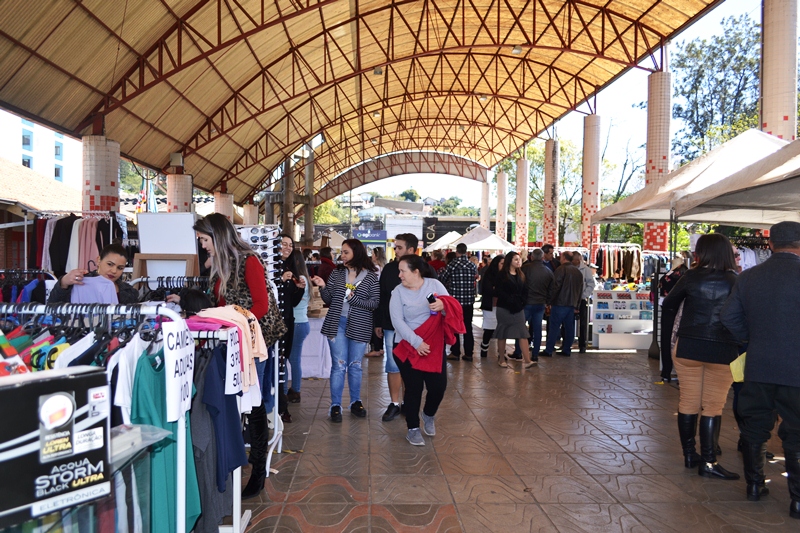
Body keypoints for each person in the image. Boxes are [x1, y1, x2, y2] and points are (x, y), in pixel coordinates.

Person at [169, 213, 271, 500]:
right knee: (240, 403)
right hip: (231, 342)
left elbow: (261, 306)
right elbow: (219, 303)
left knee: (254, 405)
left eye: (204, 239)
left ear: (217, 236)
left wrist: (232, 325)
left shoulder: (249, 261)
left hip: (253, 343)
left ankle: (258, 471)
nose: (202, 246)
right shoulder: (219, 265)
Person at [721, 221, 800, 516]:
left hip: (758, 363)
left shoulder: (749, 277)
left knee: (755, 426)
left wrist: (751, 338)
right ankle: (797, 500)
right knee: (797, 431)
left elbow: (728, 317)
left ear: (769, 245)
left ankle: (754, 485)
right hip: (797, 369)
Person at [661, 233, 740, 481]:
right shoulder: (736, 280)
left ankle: (689, 455)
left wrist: (671, 337)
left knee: (688, 401)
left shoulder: (690, 277)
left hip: (688, 346)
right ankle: (708, 461)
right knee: (713, 406)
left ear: (701, 252)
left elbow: (669, 304)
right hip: (722, 349)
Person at [390, 254, 463, 446]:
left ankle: (428, 414)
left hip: (433, 346)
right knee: (414, 388)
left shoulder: (434, 285)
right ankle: (413, 428)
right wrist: (416, 342)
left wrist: (443, 305)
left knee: (438, 387)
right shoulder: (397, 292)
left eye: (403, 271)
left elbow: (451, 308)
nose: (400, 275)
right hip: (407, 345)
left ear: (416, 272)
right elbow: (397, 321)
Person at [311, 239, 379, 422]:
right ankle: (335, 405)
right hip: (337, 322)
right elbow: (329, 298)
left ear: (356, 253)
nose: (342, 256)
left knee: (356, 366)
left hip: (360, 324)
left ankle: (356, 402)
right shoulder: (337, 273)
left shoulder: (371, 276)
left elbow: (374, 303)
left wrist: (354, 300)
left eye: (346, 252)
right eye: (342, 252)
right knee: (339, 366)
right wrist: (323, 285)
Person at [374, 233, 419, 422]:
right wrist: (378, 322)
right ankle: (394, 403)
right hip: (392, 326)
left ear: (411, 250)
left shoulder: (424, 270)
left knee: (413, 367)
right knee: (393, 365)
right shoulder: (389, 269)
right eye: (395, 247)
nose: (396, 250)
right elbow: (382, 297)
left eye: (399, 247)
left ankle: (410, 403)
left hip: (418, 329)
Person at [276, 234, 305, 423]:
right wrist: (279, 279)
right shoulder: (271, 267)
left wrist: (300, 288)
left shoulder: (289, 268)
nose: (287, 248)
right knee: (278, 365)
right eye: (283, 244)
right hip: (274, 323)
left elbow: (292, 302)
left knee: (284, 361)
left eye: (290, 245)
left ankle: (282, 404)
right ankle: (280, 406)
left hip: (288, 321)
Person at [49, 243, 137, 304]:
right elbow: (53, 305)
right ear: (99, 260)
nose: (114, 271)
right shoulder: (80, 282)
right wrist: (63, 283)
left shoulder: (129, 292)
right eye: (110, 264)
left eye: (120, 268)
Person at [493, 251, 535, 368]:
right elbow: (498, 291)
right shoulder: (502, 275)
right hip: (504, 307)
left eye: (519, 259)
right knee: (503, 333)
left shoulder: (521, 275)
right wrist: (511, 300)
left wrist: (522, 301)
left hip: (518, 307)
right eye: (516, 259)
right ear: (509, 261)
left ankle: (527, 360)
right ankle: (501, 358)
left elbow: (525, 290)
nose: (518, 261)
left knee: (522, 332)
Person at [439, 243, 478, 361]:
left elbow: (442, 279)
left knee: (455, 326)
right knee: (468, 327)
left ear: (457, 252)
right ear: (466, 251)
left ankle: (455, 352)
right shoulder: (472, 265)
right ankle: (469, 353)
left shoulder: (452, 265)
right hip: (469, 301)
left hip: (455, 302)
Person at [543, 252, 583, 357]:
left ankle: (549, 350)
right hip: (571, 304)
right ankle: (566, 349)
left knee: (554, 327)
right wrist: (577, 305)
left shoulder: (560, 270)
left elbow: (555, 287)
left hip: (560, 303)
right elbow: (580, 290)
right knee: (569, 328)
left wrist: (549, 301)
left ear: (564, 258)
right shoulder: (577, 272)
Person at [284, 250, 311, 404]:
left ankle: (294, 390)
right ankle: (294, 389)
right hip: (301, 322)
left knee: (292, 360)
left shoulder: (299, 280)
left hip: (297, 323)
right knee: (293, 359)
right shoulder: (304, 278)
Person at [520, 248, 552, 358]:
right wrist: (547, 301)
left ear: (531, 257)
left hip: (526, 303)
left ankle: (518, 352)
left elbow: (520, 284)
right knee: (537, 329)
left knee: (520, 327)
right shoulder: (548, 271)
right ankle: (535, 354)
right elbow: (551, 289)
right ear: (543, 258)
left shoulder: (525, 269)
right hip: (540, 303)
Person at [478, 255, 503, 358]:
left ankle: (501, 352)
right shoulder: (489, 274)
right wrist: (499, 291)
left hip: (502, 306)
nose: (503, 265)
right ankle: (484, 348)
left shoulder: (506, 275)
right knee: (489, 329)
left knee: (502, 329)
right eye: (501, 263)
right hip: (490, 305)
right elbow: (488, 290)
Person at [571, 253, 595, 353]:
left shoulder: (586, 270)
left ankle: (582, 344)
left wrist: (584, 295)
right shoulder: (569, 268)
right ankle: (568, 342)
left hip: (581, 299)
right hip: (571, 299)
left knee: (583, 323)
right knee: (568, 322)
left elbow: (591, 284)